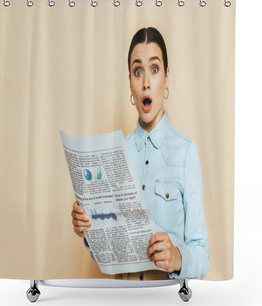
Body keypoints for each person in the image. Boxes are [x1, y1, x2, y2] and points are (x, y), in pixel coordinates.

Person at [71, 27, 209, 280]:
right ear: (130, 83)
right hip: (120, 295)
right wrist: (88, 231)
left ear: (166, 77)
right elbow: (104, 251)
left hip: (165, 296)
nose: (146, 82)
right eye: (138, 71)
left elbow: (202, 256)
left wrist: (178, 257)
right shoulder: (115, 154)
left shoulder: (187, 152)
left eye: (154, 69)